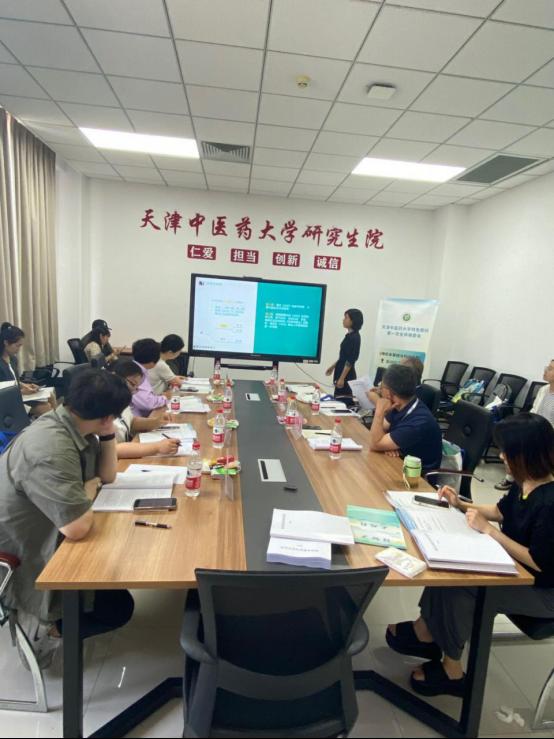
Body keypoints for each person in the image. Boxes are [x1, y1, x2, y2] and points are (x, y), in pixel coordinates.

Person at [386, 412, 554, 697]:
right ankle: (426, 630)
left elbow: (540, 562)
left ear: (526, 453)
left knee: (464, 585)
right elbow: (500, 511)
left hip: (542, 590)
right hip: (517, 569)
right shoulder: (526, 481)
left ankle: (452, 670)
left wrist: (490, 532)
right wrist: (460, 504)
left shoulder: (550, 501)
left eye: (507, 451)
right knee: (446, 567)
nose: (502, 456)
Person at [0, 369, 135, 666]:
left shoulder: (71, 423)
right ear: (107, 415)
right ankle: (45, 631)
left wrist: (107, 434)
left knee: (116, 586)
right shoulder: (50, 448)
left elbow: (107, 476)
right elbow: (77, 527)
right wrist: (89, 488)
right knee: (117, 608)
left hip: (51, 527)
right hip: (23, 550)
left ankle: (62, 620)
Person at [367, 363, 442, 473]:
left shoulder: (419, 422)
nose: (379, 390)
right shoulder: (401, 404)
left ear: (389, 393)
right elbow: (380, 429)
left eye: (381, 387)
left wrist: (379, 409)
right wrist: (387, 445)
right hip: (399, 463)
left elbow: (374, 443)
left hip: (417, 477)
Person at [495, 358, 554, 491]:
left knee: (523, 446)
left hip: (548, 436)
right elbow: (534, 411)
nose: (545, 370)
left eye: (550, 369)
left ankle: (523, 479)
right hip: (535, 429)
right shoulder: (544, 390)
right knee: (515, 439)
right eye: (547, 367)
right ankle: (512, 478)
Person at [111, 359, 180, 458]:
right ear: (115, 377)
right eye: (133, 384)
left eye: (137, 387)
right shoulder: (103, 405)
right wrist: (157, 447)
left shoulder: (121, 400)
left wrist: (156, 422)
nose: (134, 391)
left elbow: (131, 422)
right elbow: (114, 450)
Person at [0, 322, 55, 416]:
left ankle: (57, 424)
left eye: (20, 346)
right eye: (17, 345)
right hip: (7, 400)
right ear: (6, 343)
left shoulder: (13, 359)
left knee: (51, 396)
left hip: (17, 395)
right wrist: (22, 392)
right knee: (45, 407)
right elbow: (3, 391)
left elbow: (15, 381)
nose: (19, 349)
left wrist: (26, 386)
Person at [326, 309, 363, 401]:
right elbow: (343, 356)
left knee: (342, 401)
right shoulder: (349, 336)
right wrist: (333, 366)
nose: (343, 320)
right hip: (340, 370)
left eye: (346, 318)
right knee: (337, 399)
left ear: (353, 321)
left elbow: (351, 359)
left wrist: (342, 378)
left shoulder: (355, 337)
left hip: (347, 375)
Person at [130, 338, 170, 417]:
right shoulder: (135, 374)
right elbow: (148, 403)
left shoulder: (134, 368)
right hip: (134, 420)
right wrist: (165, 398)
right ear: (154, 361)